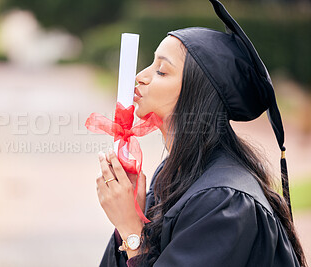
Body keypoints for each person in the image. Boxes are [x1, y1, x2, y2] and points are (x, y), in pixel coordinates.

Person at [95, 0, 307, 266]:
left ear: (198, 95)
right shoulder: (177, 174)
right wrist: (128, 213)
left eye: (161, 71)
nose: (140, 76)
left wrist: (131, 229)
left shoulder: (224, 200)